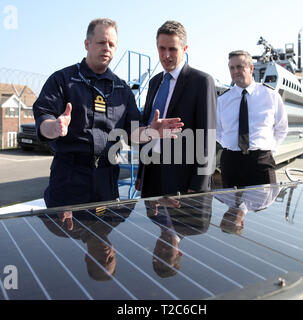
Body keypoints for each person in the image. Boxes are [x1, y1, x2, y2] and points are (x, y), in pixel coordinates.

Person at [33, 18, 183, 208]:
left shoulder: (122, 89)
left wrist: (149, 132)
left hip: (106, 182)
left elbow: (132, 133)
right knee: (65, 236)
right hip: (68, 181)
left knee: (102, 235)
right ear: (87, 44)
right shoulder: (62, 80)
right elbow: (43, 117)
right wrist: (54, 127)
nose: (107, 48)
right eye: (101, 42)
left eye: (112, 44)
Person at [135, 20, 217, 198]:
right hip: (151, 172)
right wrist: (142, 173)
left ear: (185, 48)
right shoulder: (154, 82)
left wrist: (198, 185)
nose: (166, 55)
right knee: (151, 226)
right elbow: (150, 126)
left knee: (180, 226)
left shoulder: (201, 82)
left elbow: (207, 137)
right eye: (161, 48)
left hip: (183, 178)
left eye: (172, 49)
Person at [216, 50, 288, 188]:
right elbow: (217, 130)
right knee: (233, 206)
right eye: (232, 68)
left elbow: (282, 128)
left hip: (261, 161)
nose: (235, 71)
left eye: (240, 67)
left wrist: (269, 149)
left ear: (251, 68)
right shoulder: (222, 100)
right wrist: (230, 144)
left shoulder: (270, 96)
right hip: (231, 162)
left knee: (265, 204)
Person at [215, 184, 282, 235]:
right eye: (230, 225)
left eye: (223, 223)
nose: (227, 221)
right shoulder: (263, 203)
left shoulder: (217, 194)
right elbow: (279, 182)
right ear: (241, 224)